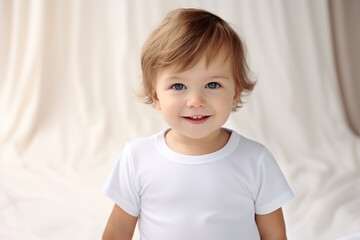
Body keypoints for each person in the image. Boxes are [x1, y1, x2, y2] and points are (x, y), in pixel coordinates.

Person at [101, 8, 294, 240]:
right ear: (156, 97)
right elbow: (119, 230)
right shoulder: (137, 158)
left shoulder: (255, 160)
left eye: (212, 85)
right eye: (178, 86)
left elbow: (273, 233)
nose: (195, 101)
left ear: (235, 93)